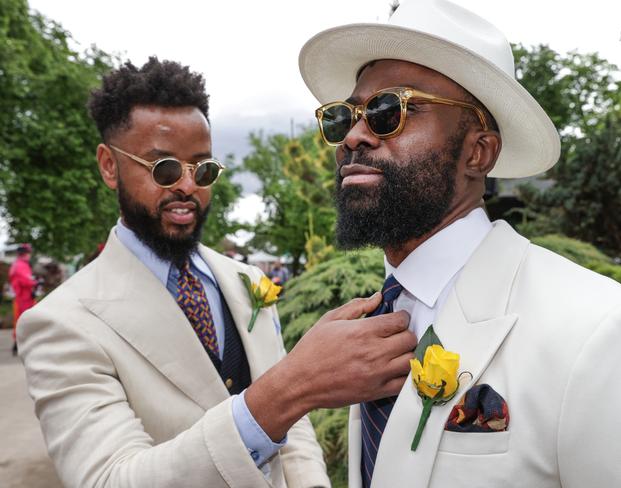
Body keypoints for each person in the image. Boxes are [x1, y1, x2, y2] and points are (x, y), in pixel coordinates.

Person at [18, 58, 416, 487]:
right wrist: (290, 388)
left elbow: (295, 435)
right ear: (109, 166)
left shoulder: (244, 280)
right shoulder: (61, 323)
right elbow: (110, 480)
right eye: (164, 168)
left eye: (203, 168)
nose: (187, 186)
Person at [298, 0, 621, 487]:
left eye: (388, 110)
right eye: (347, 115)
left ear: (478, 151)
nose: (354, 136)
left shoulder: (600, 331)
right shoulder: (374, 318)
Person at [9, 243, 37, 355]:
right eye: (29, 253)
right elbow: (27, 281)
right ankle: (20, 346)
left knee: (20, 320)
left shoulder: (18, 264)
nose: (30, 255)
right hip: (24, 299)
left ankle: (18, 345)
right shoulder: (21, 265)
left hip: (22, 298)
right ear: (25, 253)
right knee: (25, 320)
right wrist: (36, 282)